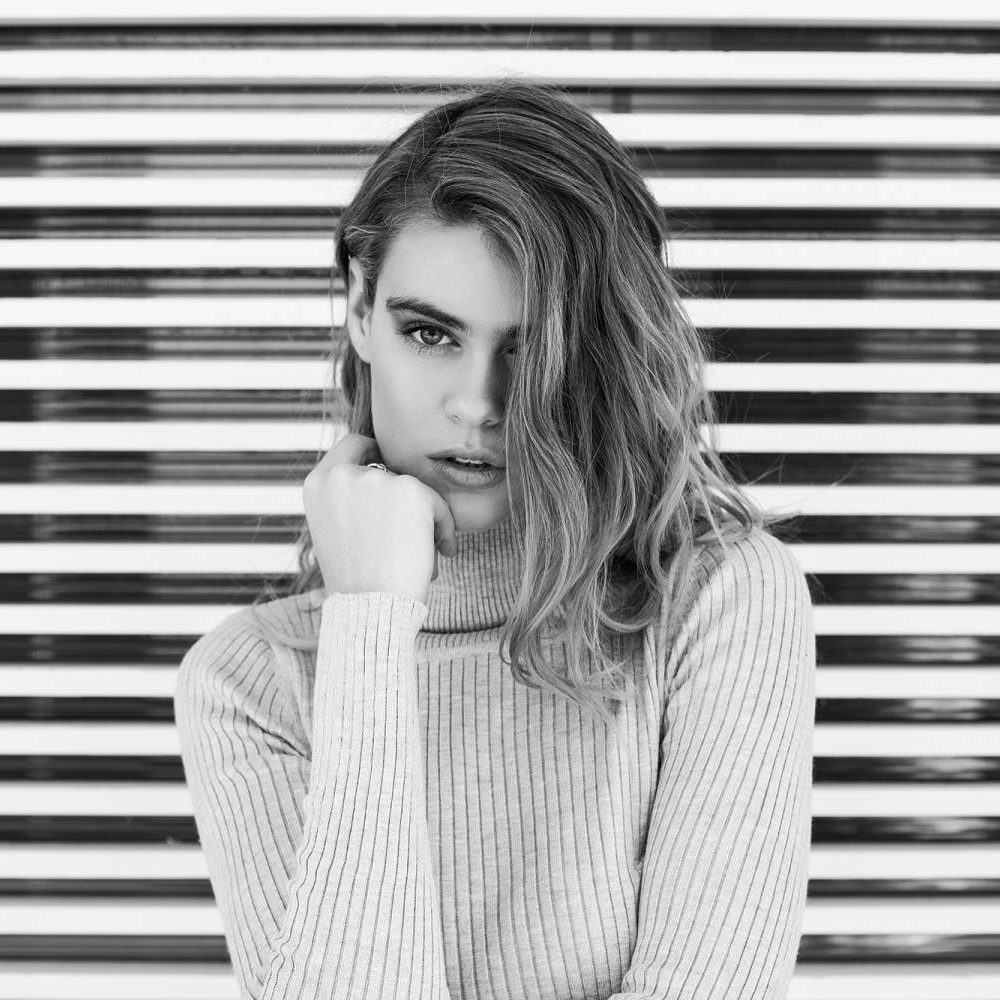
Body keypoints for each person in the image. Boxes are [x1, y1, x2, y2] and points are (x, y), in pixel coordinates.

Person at [173, 79, 815, 1000]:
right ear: (359, 310)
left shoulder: (716, 605)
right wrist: (370, 624)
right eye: (430, 333)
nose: (479, 403)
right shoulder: (250, 685)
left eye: (530, 346)